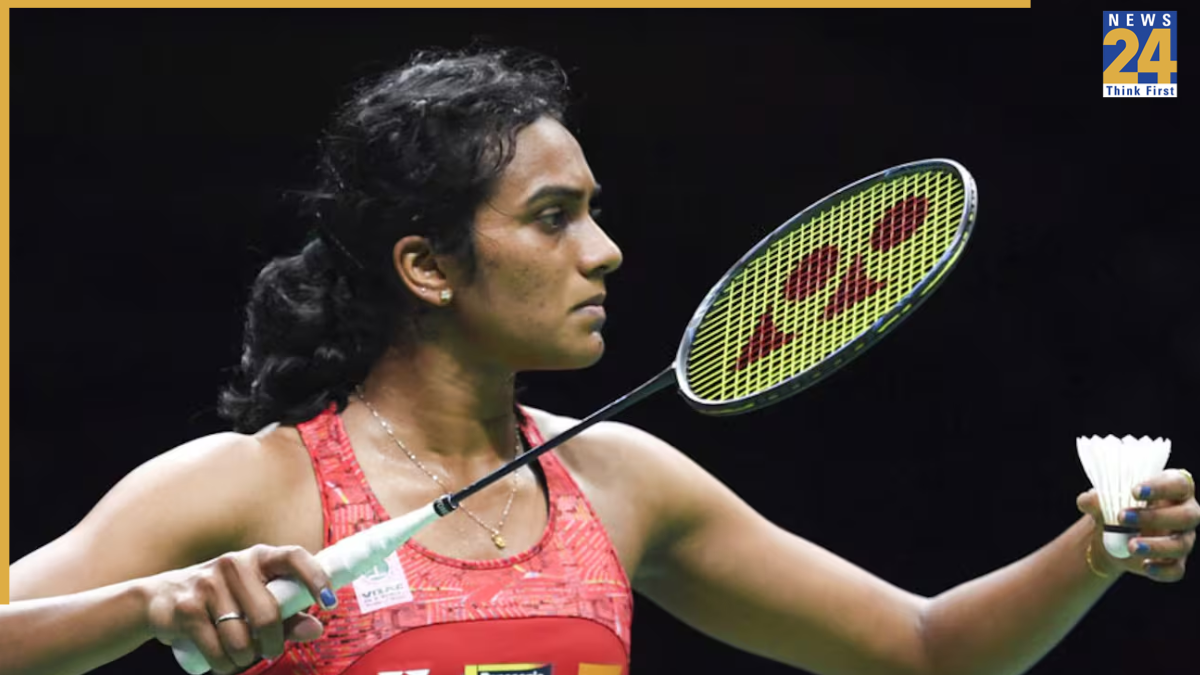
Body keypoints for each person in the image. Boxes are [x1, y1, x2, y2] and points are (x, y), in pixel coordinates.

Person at [3, 48, 1197, 675]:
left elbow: (925, 652)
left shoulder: (619, 481)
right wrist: (146, 605)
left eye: (594, 212)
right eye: (553, 217)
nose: (607, 251)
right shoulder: (254, 485)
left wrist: (1095, 551)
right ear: (428, 266)